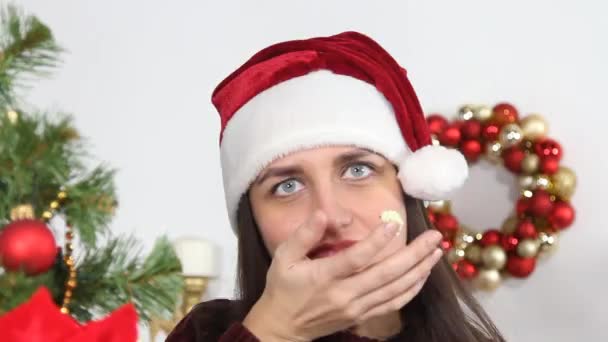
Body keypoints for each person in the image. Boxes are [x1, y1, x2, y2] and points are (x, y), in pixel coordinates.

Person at [166, 31, 505, 341]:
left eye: (358, 170)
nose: (330, 215)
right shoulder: (206, 332)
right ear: (252, 217)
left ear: (407, 192)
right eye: (287, 186)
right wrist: (275, 330)